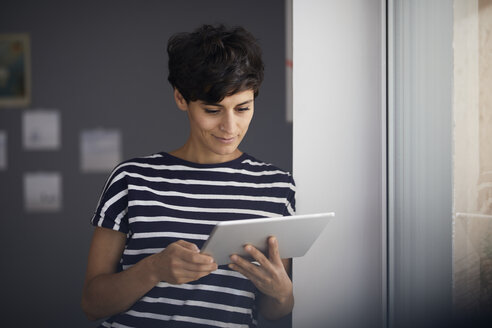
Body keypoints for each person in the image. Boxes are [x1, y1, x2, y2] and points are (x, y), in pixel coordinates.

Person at [81, 24, 296, 328]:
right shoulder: (131, 179)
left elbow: (273, 310)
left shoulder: (277, 188)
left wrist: (284, 293)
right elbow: (91, 304)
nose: (230, 127)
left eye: (243, 108)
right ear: (181, 98)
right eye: (213, 110)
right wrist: (153, 269)